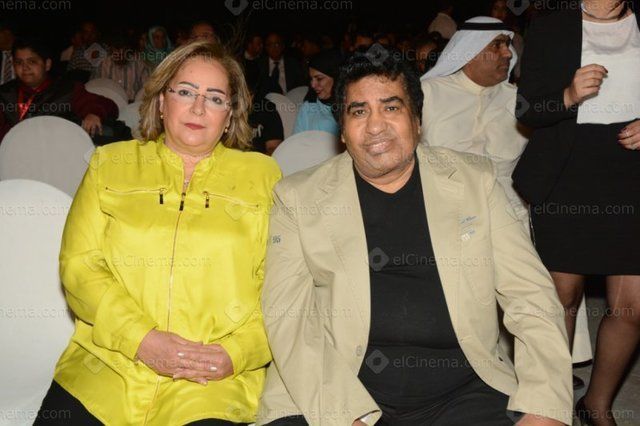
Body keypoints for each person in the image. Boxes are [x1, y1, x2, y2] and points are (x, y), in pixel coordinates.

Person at [257, 47, 572, 426]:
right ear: (342, 129)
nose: (375, 126)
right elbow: (288, 317)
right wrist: (343, 415)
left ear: (417, 120)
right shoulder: (298, 197)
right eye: (359, 111)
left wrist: (545, 405)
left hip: (463, 389)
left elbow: (531, 295)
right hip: (338, 381)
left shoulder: (474, 182)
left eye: (391, 107)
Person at [34, 41, 281, 425]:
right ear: (162, 102)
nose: (198, 108)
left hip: (209, 382)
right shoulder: (109, 164)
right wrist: (141, 339)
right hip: (108, 367)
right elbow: (79, 267)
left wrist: (237, 353)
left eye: (215, 98)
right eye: (185, 92)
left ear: (230, 116)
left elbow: (285, 288)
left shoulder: (264, 178)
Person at [513, 1, 640, 424]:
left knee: (633, 307)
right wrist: (569, 95)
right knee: (561, 299)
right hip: (568, 174)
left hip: (632, 175)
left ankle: (596, 404)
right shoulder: (551, 27)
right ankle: (551, 408)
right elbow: (527, 110)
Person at [420, 17, 528, 225]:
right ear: (469, 52)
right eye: (497, 45)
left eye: (507, 45)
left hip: (508, 218)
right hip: (443, 215)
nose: (507, 53)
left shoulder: (520, 101)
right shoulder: (428, 94)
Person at [0, 38, 118, 143]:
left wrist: (94, 113)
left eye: (32, 61)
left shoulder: (66, 90)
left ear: (47, 64)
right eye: (19, 62)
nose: (25, 67)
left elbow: (108, 105)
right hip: (14, 155)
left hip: (56, 153)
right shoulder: (5, 93)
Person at [292, 50, 341, 136]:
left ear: (335, 78)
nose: (313, 85)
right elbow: (296, 141)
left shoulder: (349, 106)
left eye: (319, 79)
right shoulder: (308, 107)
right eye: (311, 79)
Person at [92, 32, 149, 102]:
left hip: (132, 104)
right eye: (116, 49)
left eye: (124, 49)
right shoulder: (103, 65)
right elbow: (93, 88)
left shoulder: (139, 65)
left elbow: (147, 90)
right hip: (108, 104)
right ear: (111, 49)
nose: (120, 53)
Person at [255, 33, 305, 98]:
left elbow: (300, 85)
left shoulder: (293, 64)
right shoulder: (259, 65)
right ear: (266, 47)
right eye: (270, 44)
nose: (274, 47)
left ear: (282, 46)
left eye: (277, 44)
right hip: (266, 101)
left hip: (290, 100)